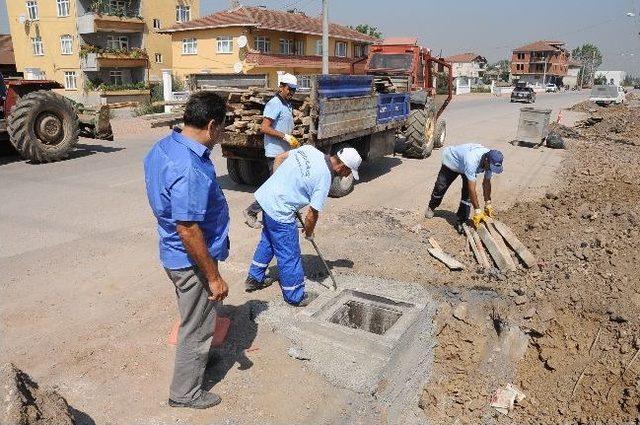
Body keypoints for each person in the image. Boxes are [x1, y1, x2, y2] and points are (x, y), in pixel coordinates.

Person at [143, 91, 230, 410]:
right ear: (211, 125)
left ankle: (196, 361)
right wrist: (214, 276)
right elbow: (188, 228)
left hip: (173, 252)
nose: (223, 135)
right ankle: (185, 392)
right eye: (223, 127)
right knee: (198, 324)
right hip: (190, 258)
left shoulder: (164, 147)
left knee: (192, 315)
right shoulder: (190, 166)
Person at [244, 146, 362, 305]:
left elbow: (279, 158)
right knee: (289, 253)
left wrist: (278, 186)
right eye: (349, 172)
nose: (347, 175)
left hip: (267, 201)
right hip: (280, 212)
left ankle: (254, 278)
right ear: (342, 166)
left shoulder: (309, 150)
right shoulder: (324, 178)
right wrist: (309, 232)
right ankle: (295, 295)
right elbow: (312, 214)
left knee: (268, 241)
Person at [243, 73, 300, 229]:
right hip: (275, 154)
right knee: (275, 188)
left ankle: (290, 217)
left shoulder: (287, 104)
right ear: (281, 87)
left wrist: (291, 137)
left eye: (294, 90)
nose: (292, 93)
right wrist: (285, 136)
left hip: (285, 152)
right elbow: (265, 128)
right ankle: (251, 211)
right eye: (290, 89)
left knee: (287, 187)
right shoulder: (274, 103)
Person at [424, 143, 504, 232]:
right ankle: (431, 206)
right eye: (490, 167)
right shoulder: (472, 160)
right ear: (486, 160)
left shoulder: (490, 161)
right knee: (441, 186)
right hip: (452, 162)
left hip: (466, 166)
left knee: (467, 196)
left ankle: (462, 221)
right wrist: (477, 210)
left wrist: (488, 202)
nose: (490, 169)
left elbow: (486, 183)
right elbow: (472, 189)